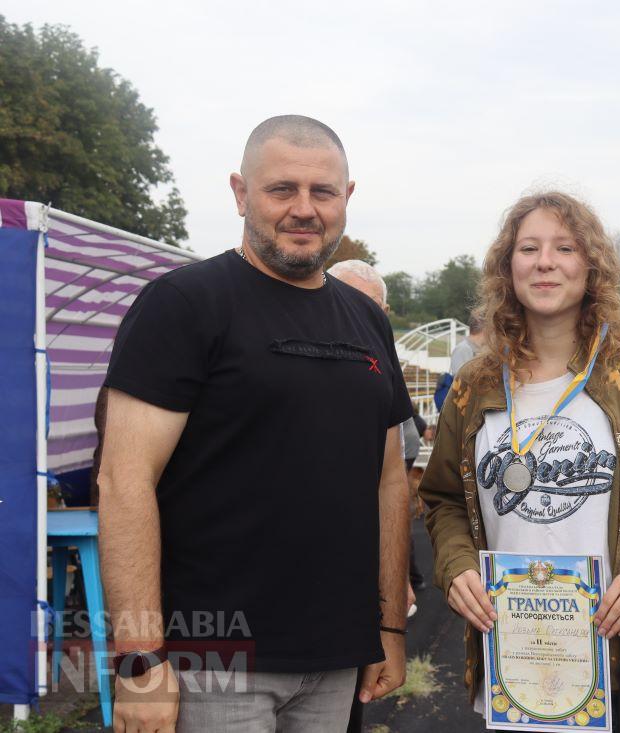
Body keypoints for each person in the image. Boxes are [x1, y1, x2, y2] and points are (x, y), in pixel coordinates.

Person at [98, 115, 413, 733]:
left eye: (322, 192)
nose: (304, 209)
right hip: (214, 662)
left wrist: (391, 627)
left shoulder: (365, 321)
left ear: (346, 199)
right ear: (241, 193)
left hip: (336, 657)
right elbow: (122, 480)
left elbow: (390, 482)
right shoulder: (185, 304)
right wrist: (140, 660)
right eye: (281, 190)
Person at [418, 191, 620, 724]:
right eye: (529, 248)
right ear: (509, 268)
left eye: (565, 248)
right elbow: (442, 501)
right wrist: (456, 565)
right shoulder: (473, 385)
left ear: (591, 266)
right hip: (512, 663)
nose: (546, 261)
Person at [327, 259, 426, 616]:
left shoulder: (379, 358)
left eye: (371, 307)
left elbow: (389, 483)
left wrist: (396, 580)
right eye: (347, 300)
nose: (359, 315)